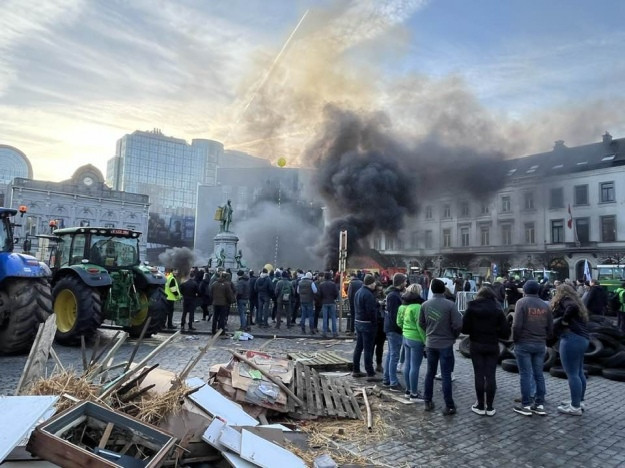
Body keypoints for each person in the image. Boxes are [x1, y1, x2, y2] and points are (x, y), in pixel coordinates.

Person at [462, 286, 510, 416]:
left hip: (476, 344)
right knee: (490, 375)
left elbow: (464, 329)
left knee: (479, 374)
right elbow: (506, 332)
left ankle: (480, 404)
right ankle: (490, 407)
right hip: (492, 345)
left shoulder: (471, 308)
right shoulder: (497, 309)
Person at [419, 278, 463, 415]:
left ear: (431, 290)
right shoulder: (450, 305)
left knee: (429, 373)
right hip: (446, 344)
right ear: (443, 289)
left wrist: (430, 332)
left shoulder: (425, 305)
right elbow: (458, 325)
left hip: (431, 343)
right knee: (446, 375)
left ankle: (427, 401)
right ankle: (449, 405)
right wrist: (453, 336)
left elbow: (421, 323)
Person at [512, 280, 553, 417]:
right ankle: (539, 404)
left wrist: (515, 339)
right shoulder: (545, 305)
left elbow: (517, 325)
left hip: (524, 342)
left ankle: (526, 405)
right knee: (539, 374)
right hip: (540, 343)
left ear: (525, 290)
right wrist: (545, 338)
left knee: (525, 374)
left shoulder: (521, 303)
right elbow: (550, 326)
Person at [551, 284, 590, 416]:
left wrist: (563, 321)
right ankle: (579, 401)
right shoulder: (577, 302)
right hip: (582, 338)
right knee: (578, 372)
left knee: (572, 373)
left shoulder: (566, 299)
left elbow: (570, 308)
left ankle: (575, 407)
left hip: (571, 338)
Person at [396, 283, 425, 401]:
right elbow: (420, 326)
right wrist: (426, 341)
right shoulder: (418, 307)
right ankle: (414, 393)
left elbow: (398, 322)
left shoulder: (403, 306)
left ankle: (408, 390)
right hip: (416, 339)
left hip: (406, 337)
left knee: (407, 364)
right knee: (415, 366)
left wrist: (405, 329)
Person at [352, 274, 381, 382]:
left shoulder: (359, 292)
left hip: (358, 322)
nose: (375, 285)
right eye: (374, 283)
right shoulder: (368, 294)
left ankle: (356, 370)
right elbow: (371, 311)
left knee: (359, 347)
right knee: (368, 349)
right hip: (367, 324)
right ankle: (370, 372)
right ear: (371, 283)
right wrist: (375, 322)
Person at [383, 273, 407, 392]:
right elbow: (394, 315)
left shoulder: (393, 294)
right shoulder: (393, 296)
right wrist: (400, 327)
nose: (406, 284)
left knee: (391, 355)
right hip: (394, 329)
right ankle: (393, 382)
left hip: (391, 328)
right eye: (405, 282)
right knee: (394, 356)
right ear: (401, 283)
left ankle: (387, 379)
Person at [319, 271, 339, 338]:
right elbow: (336, 293)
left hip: (324, 302)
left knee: (325, 318)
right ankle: (334, 332)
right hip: (331, 302)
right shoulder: (333, 284)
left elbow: (320, 294)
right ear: (330, 277)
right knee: (333, 318)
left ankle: (324, 332)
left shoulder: (321, 284)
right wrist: (334, 298)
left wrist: (322, 299)